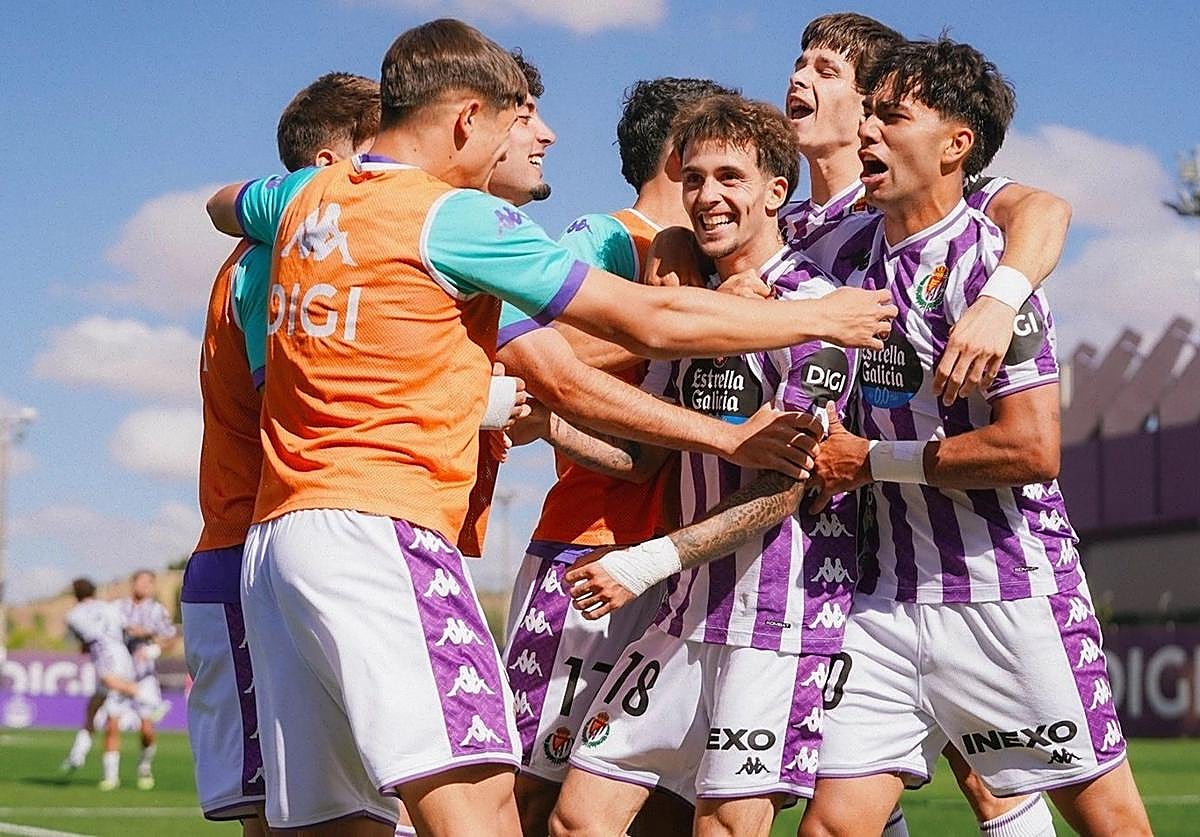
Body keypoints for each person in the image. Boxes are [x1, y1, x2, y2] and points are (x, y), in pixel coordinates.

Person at [203, 18, 895, 836]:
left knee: (335, 820)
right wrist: (825, 318)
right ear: (468, 120)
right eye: (514, 120)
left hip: (280, 545)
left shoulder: (308, 195)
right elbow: (650, 320)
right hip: (384, 531)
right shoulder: (453, 218)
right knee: (487, 806)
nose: (530, 139)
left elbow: (222, 203)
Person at [795, 37, 1151, 837]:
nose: (869, 134)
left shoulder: (983, 268)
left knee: (1111, 823)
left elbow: (1032, 450)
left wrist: (872, 460)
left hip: (1009, 596)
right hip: (886, 600)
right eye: (870, 116)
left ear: (957, 145)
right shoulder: (850, 254)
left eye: (893, 118)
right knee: (831, 826)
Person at [497, 76, 811, 837]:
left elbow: (784, 479)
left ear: (774, 188)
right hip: (614, 557)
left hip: (731, 587)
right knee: (545, 794)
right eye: (696, 172)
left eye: (728, 174)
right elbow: (535, 356)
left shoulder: (789, 292)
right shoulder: (621, 244)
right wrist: (682, 323)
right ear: (674, 159)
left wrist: (698, 312)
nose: (706, 192)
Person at [182, 71, 381, 835]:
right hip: (252, 554)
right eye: (374, 157)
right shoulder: (276, 253)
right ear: (328, 166)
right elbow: (296, 403)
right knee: (290, 820)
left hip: (267, 550)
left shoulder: (271, 249)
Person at [61, 578, 151, 791]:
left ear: (75, 594)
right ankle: (77, 755)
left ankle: (148, 699)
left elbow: (85, 641)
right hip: (121, 654)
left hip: (105, 654)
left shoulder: (73, 615)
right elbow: (128, 628)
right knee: (94, 707)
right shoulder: (109, 606)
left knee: (111, 712)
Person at [116, 569, 177, 790]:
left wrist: (154, 648)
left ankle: (144, 765)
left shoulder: (157, 611)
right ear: (133, 583)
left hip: (145, 677)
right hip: (119, 673)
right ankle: (110, 776)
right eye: (140, 582)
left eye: (148, 583)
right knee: (111, 723)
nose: (143, 586)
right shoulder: (119, 608)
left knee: (147, 728)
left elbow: (170, 638)